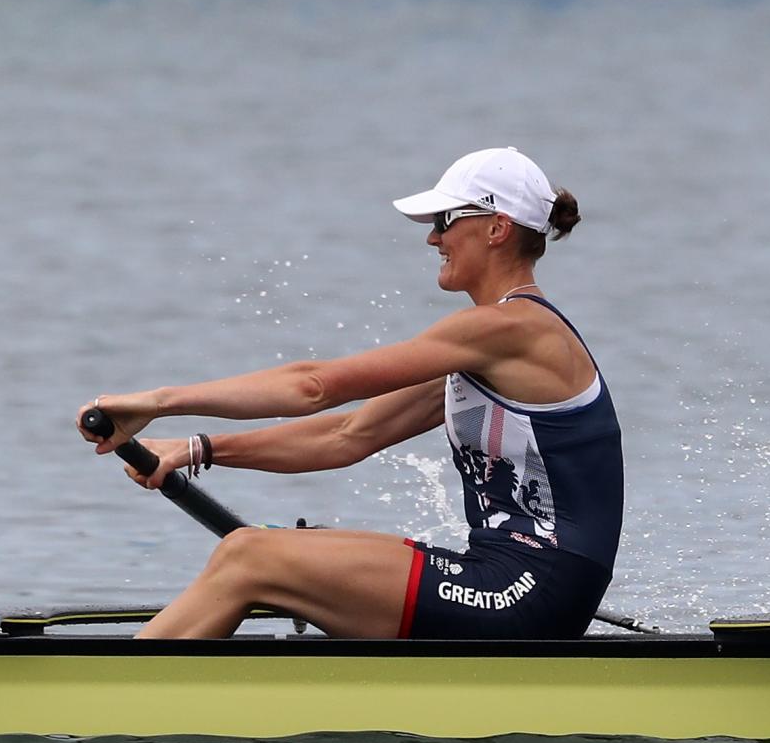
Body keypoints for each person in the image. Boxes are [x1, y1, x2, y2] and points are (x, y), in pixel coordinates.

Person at [77, 146, 620, 641]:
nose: (432, 238)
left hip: (530, 590)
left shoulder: (511, 330)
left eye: (444, 221)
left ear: (498, 228)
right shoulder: (493, 348)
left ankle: (116, 704)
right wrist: (197, 449)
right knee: (268, 550)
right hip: (515, 581)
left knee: (251, 556)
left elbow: (314, 387)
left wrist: (156, 401)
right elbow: (348, 435)